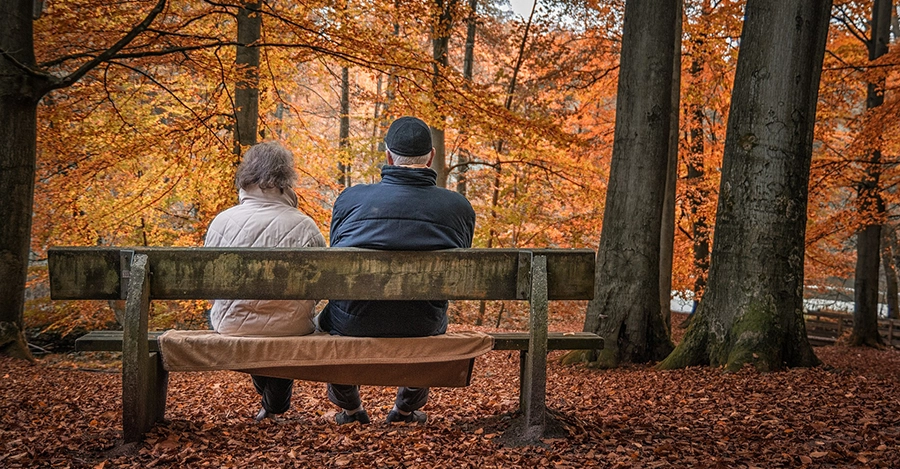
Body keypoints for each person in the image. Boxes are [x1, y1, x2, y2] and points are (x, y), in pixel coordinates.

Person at [317, 116, 476, 425]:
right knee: (427, 312)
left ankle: (351, 410)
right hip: (422, 322)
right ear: (430, 157)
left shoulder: (350, 199)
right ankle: (404, 411)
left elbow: (337, 255)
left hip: (354, 321)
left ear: (388, 156)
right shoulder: (458, 208)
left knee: (333, 316)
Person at [204, 141, 326, 421]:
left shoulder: (221, 222)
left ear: (246, 176)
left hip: (231, 323)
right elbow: (320, 287)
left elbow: (211, 286)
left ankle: (273, 405)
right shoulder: (304, 225)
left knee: (256, 329)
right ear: (286, 178)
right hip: (292, 325)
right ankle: (275, 405)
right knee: (282, 327)